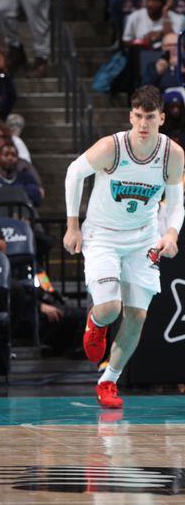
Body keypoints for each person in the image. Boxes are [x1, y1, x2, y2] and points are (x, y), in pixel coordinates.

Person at [63, 85, 184, 410]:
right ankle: (95, 322)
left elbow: (176, 202)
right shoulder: (111, 148)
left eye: (150, 117)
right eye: (138, 116)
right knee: (110, 310)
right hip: (102, 235)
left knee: (137, 315)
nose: (143, 124)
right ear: (131, 116)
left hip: (143, 238)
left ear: (162, 117)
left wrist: (171, 233)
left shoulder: (172, 154)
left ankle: (108, 382)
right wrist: (73, 225)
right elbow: (74, 173)